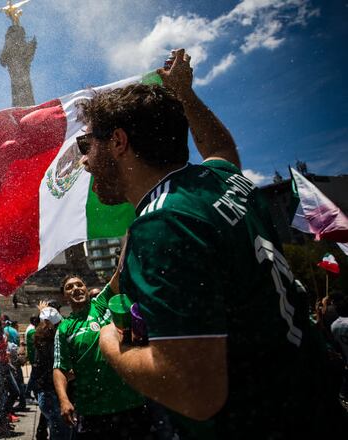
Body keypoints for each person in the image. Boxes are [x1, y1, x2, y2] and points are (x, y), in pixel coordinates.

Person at [90, 48, 347, 437]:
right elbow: (221, 151)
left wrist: (107, 339)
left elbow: (196, 394)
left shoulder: (163, 223)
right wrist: (185, 95)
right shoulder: (220, 180)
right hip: (314, 407)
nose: (84, 162)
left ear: (119, 142)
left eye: (86, 146)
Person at [52, 275, 148, 439]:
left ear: (86, 289)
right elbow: (59, 368)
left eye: (79, 284)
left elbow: (118, 275)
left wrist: (126, 248)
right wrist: (64, 400)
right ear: (64, 296)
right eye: (69, 287)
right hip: (92, 410)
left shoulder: (101, 305)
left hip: (129, 402)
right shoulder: (64, 328)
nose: (75, 288)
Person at [34, 304, 69, 440]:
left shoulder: (40, 337)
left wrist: (44, 313)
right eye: (59, 322)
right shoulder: (53, 341)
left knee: (57, 428)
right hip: (52, 391)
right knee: (60, 431)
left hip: (45, 391)